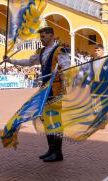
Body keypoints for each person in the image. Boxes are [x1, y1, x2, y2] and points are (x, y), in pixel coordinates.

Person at [5, 27, 70, 162]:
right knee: (46, 119)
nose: (41, 39)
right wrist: (11, 61)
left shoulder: (60, 50)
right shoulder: (41, 51)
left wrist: (61, 72)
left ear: (52, 36)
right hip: (45, 89)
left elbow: (68, 67)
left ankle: (58, 152)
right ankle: (51, 149)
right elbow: (29, 62)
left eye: (44, 36)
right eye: (40, 37)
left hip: (56, 89)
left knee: (55, 120)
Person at [87, 44, 108, 128]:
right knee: (93, 104)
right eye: (96, 51)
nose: (97, 52)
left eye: (99, 50)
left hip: (105, 84)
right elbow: (89, 73)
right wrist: (87, 82)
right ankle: (98, 119)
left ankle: (101, 122)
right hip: (95, 84)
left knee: (104, 104)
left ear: (102, 51)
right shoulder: (92, 60)